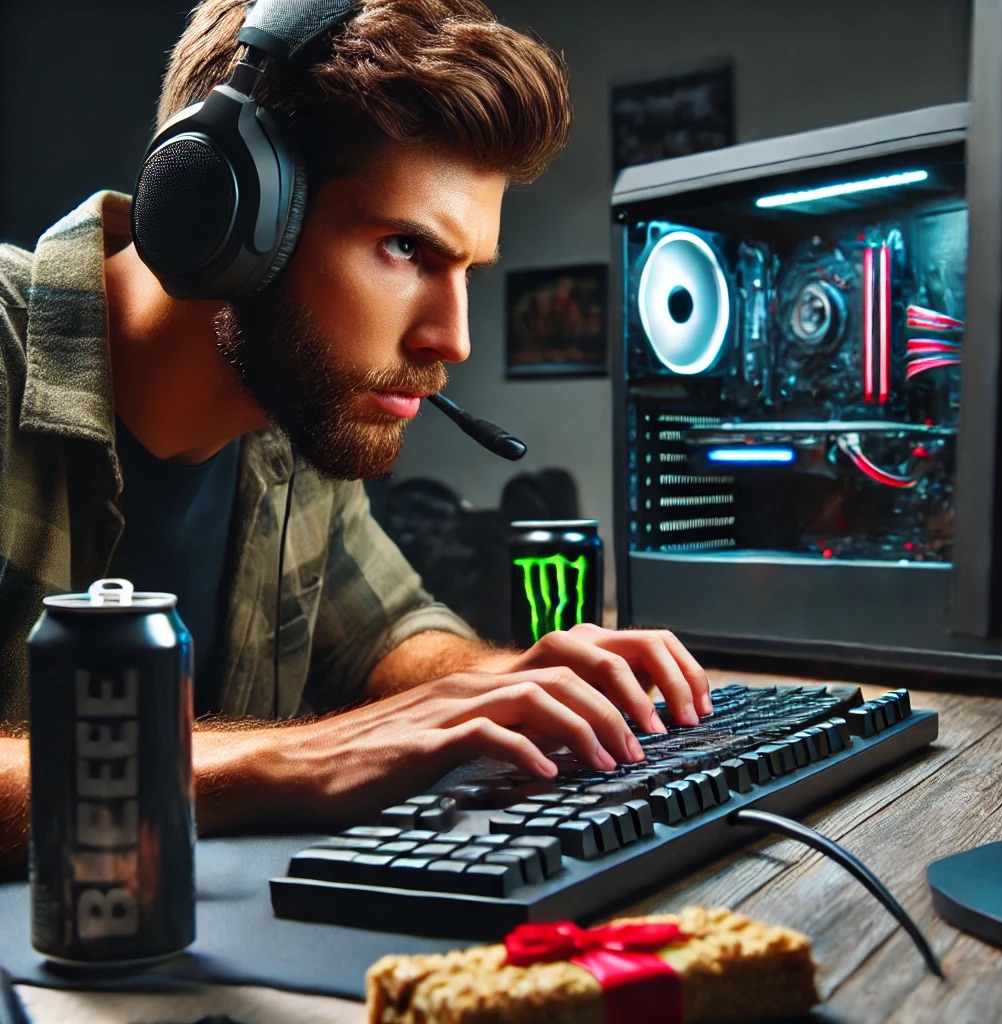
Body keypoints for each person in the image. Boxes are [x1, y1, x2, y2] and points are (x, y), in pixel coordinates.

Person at [0, 0, 710, 870]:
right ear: (220, 208)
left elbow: (387, 633)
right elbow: (312, 750)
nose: (453, 341)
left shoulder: (293, 416)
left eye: (467, 272)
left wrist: (510, 683)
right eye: (407, 248)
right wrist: (283, 761)